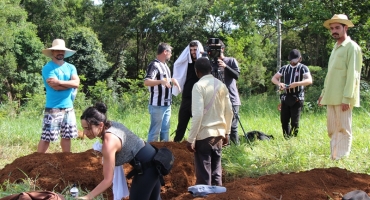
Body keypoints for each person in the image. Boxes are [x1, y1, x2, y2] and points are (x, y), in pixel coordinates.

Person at [78, 103, 161, 200]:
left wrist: (87, 197)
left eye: (88, 128)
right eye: (83, 128)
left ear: (100, 125)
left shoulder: (108, 143)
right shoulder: (111, 125)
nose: (85, 132)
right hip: (154, 159)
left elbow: (107, 180)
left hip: (148, 168)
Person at [318, 14, 363, 160]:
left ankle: (342, 159)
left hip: (344, 97)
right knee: (332, 128)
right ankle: (334, 157)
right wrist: (323, 93)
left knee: (343, 128)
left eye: (337, 27)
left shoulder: (352, 47)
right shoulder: (335, 48)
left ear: (346, 27)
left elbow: (353, 74)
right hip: (331, 95)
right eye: (331, 28)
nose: (334, 31)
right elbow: (330, 74)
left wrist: (347, 97)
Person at [186, 57, 233, 186]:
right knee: (216, 173)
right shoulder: (222, 85)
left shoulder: (198, 86)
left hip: (204, 136)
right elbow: (229, 111)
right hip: (219, 135)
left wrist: (191, 139)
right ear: (211, 69)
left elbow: (198, 115)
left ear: (197, 71)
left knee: (204, 176)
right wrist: (227, 132)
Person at [37, 39, 80, 153]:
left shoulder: (71, 67)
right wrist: (69, 84)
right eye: (57, 50)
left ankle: (66, 159)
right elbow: (55, 87)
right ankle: (38, 160)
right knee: (47, 137)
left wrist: (59, 82)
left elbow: (76, 83)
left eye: (62, 50)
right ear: (53, 52)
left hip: (68, 106)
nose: (60, 52)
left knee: (67, 136)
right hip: (53, 107)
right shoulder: (48, 68)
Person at [271, 49, 313, 139]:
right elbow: (274, 78)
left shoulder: (303, 68)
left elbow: (309, 80)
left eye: (294, 60)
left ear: (299, 59)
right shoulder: (285, 68)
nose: (292, 62)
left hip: (297, 97)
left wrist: (297, 84)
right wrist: (280, 84)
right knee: (284, 120)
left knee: (295, 121)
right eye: (291, 60)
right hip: (286, 97)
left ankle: (294, 138)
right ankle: (287, 138)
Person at [144, 42, 181, 142]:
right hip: (157, 105)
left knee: (165, 131)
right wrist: (161, 81)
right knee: (155, 132)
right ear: (165, 52)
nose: (171, 54)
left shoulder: (165, 66)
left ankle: (163, 154)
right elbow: (147, 82)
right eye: (170, 52)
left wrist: (172, 80)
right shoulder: (154, 65)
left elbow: (165, 79)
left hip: (167, 104)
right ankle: (150, 154)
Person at [208, 39, 241, 145]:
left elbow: (237, 75)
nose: (214, 50)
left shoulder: (231, 61)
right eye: (212, 48)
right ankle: (222, 148)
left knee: (232, 126)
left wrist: (225, 66)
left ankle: (236, 149)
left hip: (232, 98)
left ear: (222, 49)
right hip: (216, 100)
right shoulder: (210, 64)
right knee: (219, 126)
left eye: (216, 48)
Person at [172, 40, 204, 142]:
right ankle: (176, 143)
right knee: (182, 122)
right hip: (187, 96)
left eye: (195, 49)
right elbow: (177, 66)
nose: (193, 52)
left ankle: (198, 144)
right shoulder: (186, 62)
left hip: (199, 97)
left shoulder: (203, 63)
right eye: (191, 50)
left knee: (198, 122)